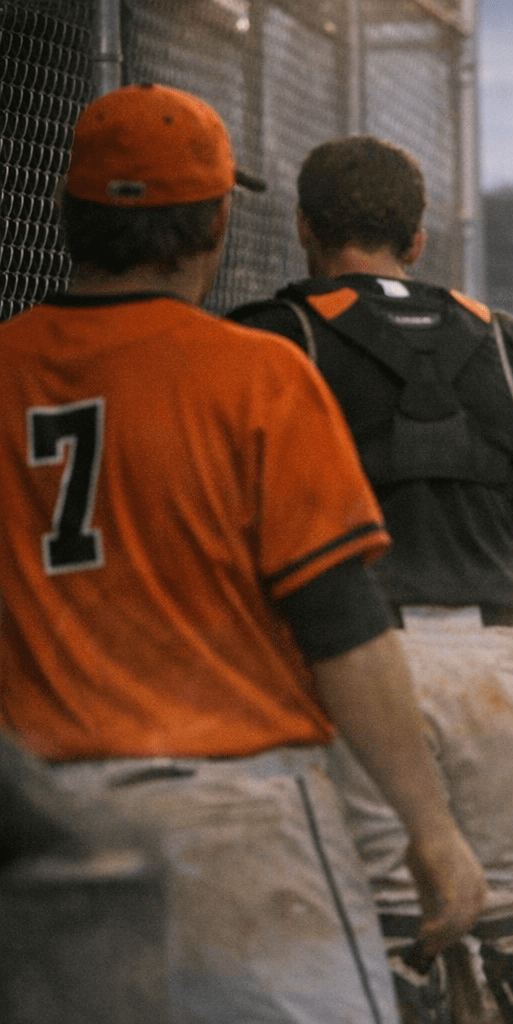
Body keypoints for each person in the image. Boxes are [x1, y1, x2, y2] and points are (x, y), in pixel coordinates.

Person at [0, 84, 485, 1023]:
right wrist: (432, 827)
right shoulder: (255, 372)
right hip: (234, 806)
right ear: (216, 222)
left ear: (68, 212)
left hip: (38, 821)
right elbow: (343, 625)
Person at [229, 136, 513, 1024]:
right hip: (497, 659)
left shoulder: (270, 338)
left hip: (350, 665)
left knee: (393, 940)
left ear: (304, 228)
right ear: (416, 239)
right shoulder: (505, 342)